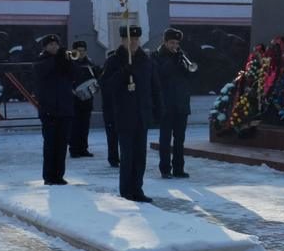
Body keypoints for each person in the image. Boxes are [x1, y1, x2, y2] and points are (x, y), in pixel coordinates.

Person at [103, 25, 161, 203]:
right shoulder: (114, 60)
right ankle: (126, 191)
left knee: (140, 156)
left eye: (136, 39)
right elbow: (105, 85)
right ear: (122, 40)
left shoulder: (146, 61)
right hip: (124, 114)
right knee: (127, 155)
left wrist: (158, 109)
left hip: (142, 114)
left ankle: (138, 189)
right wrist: (123, 73)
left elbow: (155, 87)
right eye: (129, 39)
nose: (133, 42)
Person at [34, 34, 74, 185]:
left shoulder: (64, 60)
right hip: (49, 109)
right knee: (50, 144)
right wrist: (57, 59)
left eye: (56, 44)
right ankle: (49, 176)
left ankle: (59, 175)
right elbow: (41, 72)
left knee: (62, 144)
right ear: (45, 47)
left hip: (65, 108)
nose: (54, 47)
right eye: (50, 45)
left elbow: (75, 74)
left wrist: (68, 61)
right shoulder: (41, 61)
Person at [153, 28, 193, 179]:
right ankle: (165, 169)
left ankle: (178, 168)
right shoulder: (157, 56)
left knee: (180, 139)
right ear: (165, 42)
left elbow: (191, 76)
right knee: (165, 139)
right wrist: (172, 62)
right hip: (166, 104)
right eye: (171, 43)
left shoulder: (182, 56)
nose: (174, 46)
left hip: (181, 103)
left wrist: (187, 67)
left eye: (177, 43)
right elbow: (159, 75)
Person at [69, 41, 99, 158]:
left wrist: (94, 88)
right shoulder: (69, 63)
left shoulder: (90, 63)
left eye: (83, 51)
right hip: (73, 99)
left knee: (84, 125)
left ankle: (83, 148)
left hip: (87, 99)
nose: (81, 53)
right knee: (74, 126)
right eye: (79, 51)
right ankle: (74, 149)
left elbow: (96, 77)